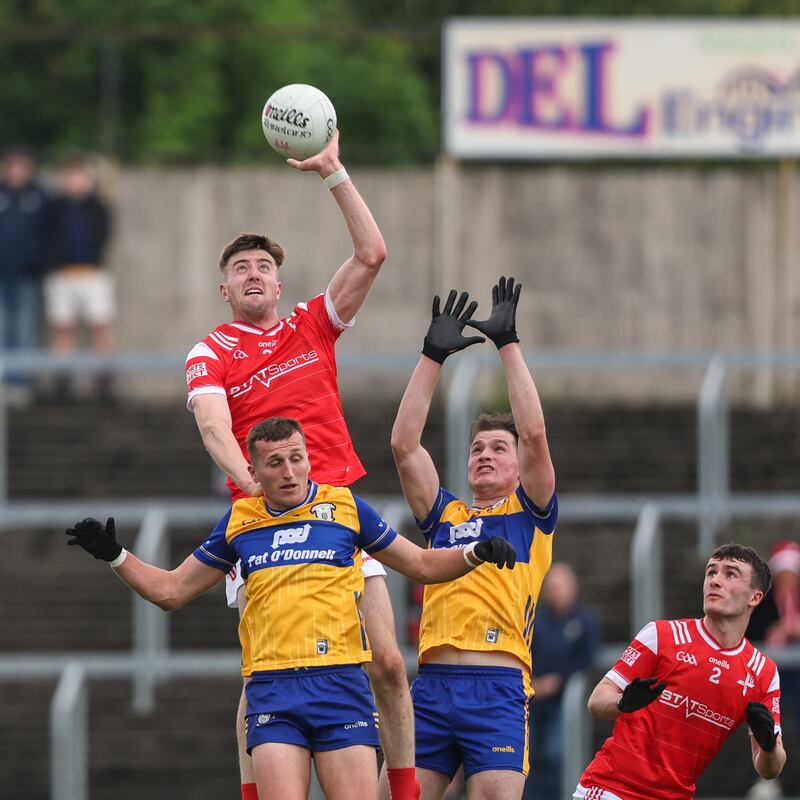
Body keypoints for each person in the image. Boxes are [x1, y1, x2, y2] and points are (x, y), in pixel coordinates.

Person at [64, 416, 517, 800]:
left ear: (308, 457)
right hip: (273, 692)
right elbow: (171, 591)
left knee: (392, 668)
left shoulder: (344, 507)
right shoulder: (241, 521)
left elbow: (418, 562)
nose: (288, 470)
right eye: (274, 462)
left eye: (296, 457)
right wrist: (116, 556)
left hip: (340, 686)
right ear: (254, 472)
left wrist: (473, 554)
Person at [184, 132, 417, 800]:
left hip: (338, 512)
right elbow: (211, 424)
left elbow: (373, 253)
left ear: (278, 283)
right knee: (264, 671)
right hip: (262, 520)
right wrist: (259, 488)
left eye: (262, 265)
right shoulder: (212, 350)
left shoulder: (311, 325)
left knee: (391, 663)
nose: (253, 272)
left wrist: (333, 170)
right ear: (224, 288)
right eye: (240, 267)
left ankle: (401, 792)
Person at [390, 277, 558, 800]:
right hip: (432, 687)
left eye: (497, 449)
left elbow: (533, 434)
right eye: (477, 447)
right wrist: (431, 356)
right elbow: (403, 444)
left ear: (517, 464)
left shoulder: (530, 512)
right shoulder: (446, 515)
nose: (484, 454)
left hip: (498, 688)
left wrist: (508, 344)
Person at [575, 543, 786, 800]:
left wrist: (768, 745)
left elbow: (770, 769)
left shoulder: (762, 672)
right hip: (612, 789)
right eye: (711, 572)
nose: (715, 581)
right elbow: (597, 700)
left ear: (755, 597)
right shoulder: (663, 636)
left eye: (730, 574)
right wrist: (623, 702)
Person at [523, 563, 600, 800]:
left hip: (565, 701)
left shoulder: (586, 620)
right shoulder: (538, 619)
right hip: (534, 699)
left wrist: (557, 681)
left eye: (560, 586)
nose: (555, 592)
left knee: (556, 752)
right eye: (552, 587)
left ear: (573, 588)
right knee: (529, 755)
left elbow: (586, 659)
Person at [45, 156, 113, 398]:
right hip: (63, 274)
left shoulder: (99, 207)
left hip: (93, 273)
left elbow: (105, 237)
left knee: (100, 326)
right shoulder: (55, 207)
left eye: (80, 177)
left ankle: (104, 380)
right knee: (62, 327)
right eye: (72, 177)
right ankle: (62, 381)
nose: (76, 182)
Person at [0, 145, 49, 395]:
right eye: (13, 167)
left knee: (24, 329)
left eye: (22, 167)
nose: (17, 172)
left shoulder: (39, 197)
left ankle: (20, 385)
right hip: (2, 276)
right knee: (3, 329)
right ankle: (4, 381)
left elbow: (50, 234)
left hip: (28, 276)